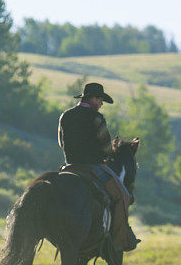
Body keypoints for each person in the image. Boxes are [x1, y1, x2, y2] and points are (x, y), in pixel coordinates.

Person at [58, 81, 139, 251]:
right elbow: (105, 149)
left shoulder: (65, 115)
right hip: (92, 167)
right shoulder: (97, 118)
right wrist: (110, 151)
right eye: (100, 100)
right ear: (93, 99)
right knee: (123, 196)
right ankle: (118, 242)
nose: (101, 104)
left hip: (69, 166)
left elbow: (61, 142)